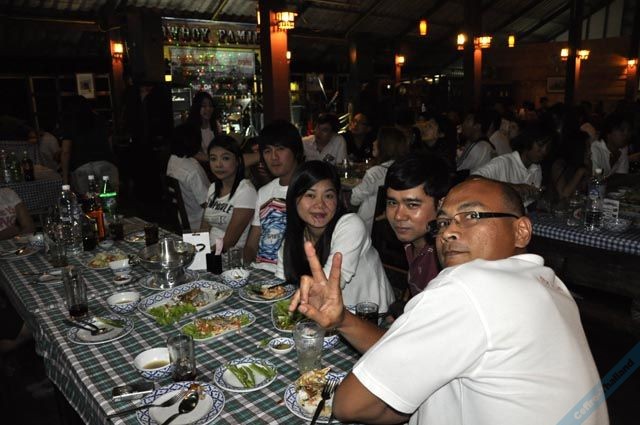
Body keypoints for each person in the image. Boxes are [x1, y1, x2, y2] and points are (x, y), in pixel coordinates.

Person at [290, 177, 607, 425]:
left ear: (521, 230)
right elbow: (414, 353)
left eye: (471, 216)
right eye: (442, 223)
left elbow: (349, 404)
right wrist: (343, 319)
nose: (448, 233)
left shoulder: (469, 285)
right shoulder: (551, 285)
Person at [276, 161, 395, 311]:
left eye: (328, 196)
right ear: (294, 200)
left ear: (337, 200)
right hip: (324, 315)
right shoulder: (294, 238)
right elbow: (281, 288)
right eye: (310, 195)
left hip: (371, 317)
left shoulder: (351, 225)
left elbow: (327, 287)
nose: (320, 204)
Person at [384, 154, 451, 314]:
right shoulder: (412, 241)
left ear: (441, 204)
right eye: (392, 203)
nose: (398, 216)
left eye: (412, 205)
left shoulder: (446, 258)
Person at [243, 120, 303, 272]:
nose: (273, 157)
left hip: (291, 274)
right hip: (260, 272)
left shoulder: (310, 189)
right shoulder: (264, 192)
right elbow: (251, 245)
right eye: (267, 151)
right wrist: (244, 267)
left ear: (295, 150)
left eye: (280, 149)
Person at [473, 123, 552, 207]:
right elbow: (473, 180)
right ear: (529, 141)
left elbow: (529, 204)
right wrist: (513, 187)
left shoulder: (536, 169)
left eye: (547, 148)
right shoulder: (504, 162)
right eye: (540, 145)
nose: (544, 151)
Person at [200, 135, 256, 251]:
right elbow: (204, 227)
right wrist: (197, 250)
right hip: (208, 251)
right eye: (213, 159)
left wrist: (205, 255)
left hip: (228, 255)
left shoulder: (246, 191)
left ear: (238, 161)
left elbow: (228, 242)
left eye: (225, 158)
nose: (218, 164)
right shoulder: (213, 187)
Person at [350, 127, 408, 233]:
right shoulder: (403, 170)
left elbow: (354, 199)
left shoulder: (375, 173)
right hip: (392, 228)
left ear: (386, 145)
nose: (373, 143)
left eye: (377, 140)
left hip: (367, 227)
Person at [60, 95, 118, 194]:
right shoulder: (100, 119)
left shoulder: (70, 122)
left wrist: (65, 180)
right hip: (105, 163)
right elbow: (109, 142)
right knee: (109, 198)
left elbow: (66, 152)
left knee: (89, 200)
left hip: (82, 166)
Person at [166, 124, 210, 232]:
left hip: (182, 217)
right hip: (198, 223)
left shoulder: (172, 160)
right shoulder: (192, 170)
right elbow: (206, 203)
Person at [550, 129, 592, 200]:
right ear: (578, 150)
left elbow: (588, 190)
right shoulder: (559, 165)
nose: (590, 152)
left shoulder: (587, 162)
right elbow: (563, 196)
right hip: (555, 205)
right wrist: (580, 172)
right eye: (587, 148)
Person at [456, 110, 496, 175]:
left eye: (467, 121)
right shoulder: (488, 145)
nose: (463, 124)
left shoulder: (478, 147)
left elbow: (457, 166)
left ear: (477, 126)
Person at [591, 112, 630, 177]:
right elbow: (595, 177)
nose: (626, 134)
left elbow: (622, 175)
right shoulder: (595, 148)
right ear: (608, 133)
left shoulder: (623, 148)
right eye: (622, 130)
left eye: (628, 130)